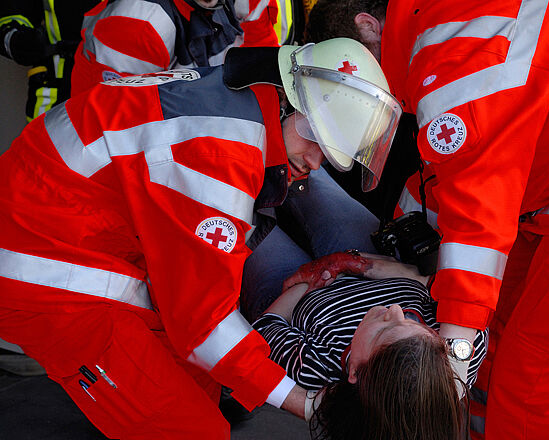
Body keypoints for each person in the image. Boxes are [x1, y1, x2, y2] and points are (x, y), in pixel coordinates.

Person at [0, 37, 402, 439]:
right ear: (291, 106)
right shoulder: (220, 156)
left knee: (200, 382)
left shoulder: (237, 102)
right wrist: (306, 402)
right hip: (46, 274)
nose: (315, 163)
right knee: (192, 430)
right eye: (315, 140)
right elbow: (204, 323)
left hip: (79, 236)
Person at [306, 1, 549, 439]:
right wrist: (405, 265)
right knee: (491, 342)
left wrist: (450, 369)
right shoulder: (440, 26)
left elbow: (477, 228)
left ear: (367, 27)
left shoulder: (449, 63)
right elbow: (454, 176)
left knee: (529, 386)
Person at [252, 251, 488, 439]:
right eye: (414, 322)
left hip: (298, 285)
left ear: (354, 370)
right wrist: (355, 262)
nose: (395, 310)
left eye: (385, 331)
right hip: (371, 260)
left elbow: (268, 325)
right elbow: (445, 283)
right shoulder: (462, 347)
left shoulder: (315, 370)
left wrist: (313, 278)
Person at [70, 0, 280, 96]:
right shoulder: (139, 22)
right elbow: (120, 128)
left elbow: (265, 74)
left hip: (198, 114)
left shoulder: (251, 2)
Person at [0, 0, 99, 121]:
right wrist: (16, 40)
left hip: (120, 83)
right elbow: (13, 14)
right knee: (41, 138)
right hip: (55, 88)